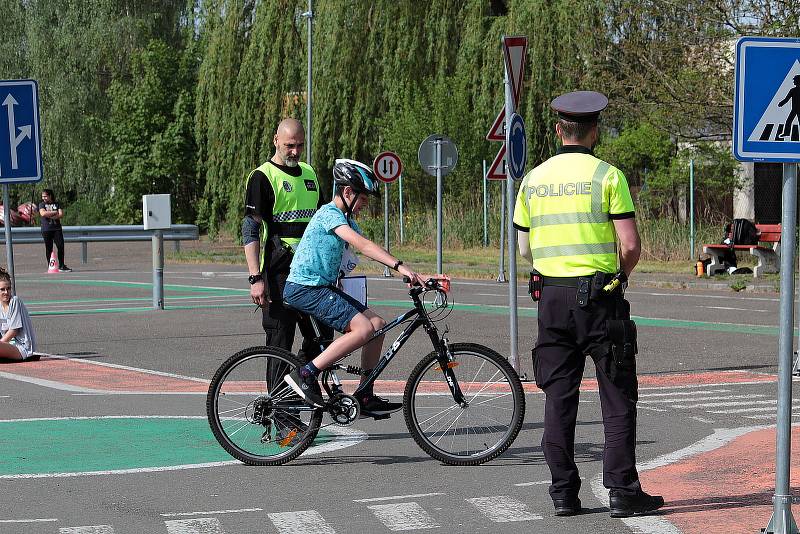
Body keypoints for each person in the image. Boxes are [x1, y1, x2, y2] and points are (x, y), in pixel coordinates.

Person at [513, 90, 664, 518]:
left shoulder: (534, 179)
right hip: (600, 296)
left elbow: (524, 249)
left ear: (559, 129)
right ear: (594, 130)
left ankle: (563, 493)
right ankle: (621, 491)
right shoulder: (607, 177)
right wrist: (620, 276)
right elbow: (631, 245)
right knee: (617, 396)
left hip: (550, 297)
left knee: (559, 397)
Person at [282, 159, 424, 417]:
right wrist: (400, 266)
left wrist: (418, 273)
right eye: (363, 199)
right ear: (347, 192)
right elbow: (362, 245)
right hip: (305, 288)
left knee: (378, 326)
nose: (364, 205)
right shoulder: (329, 214)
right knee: (363, 328)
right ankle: (305, 374)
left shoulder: (344, 217)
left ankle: (365, 394)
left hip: (321, 287)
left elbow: (369, 247)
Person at [242, 118, 333, 360]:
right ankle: (278, 397)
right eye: (289, 145)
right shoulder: (262, 176)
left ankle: (301, 383)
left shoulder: (309, 173)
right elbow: (250, 228)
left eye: (300, 146)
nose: (295, 151)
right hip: (278, 271)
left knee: (323, 336)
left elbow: (325, 221)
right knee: (280, 339)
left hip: (313, 270)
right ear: (276, 141)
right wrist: (255, 278)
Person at [0, 268, 37, 362]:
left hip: (21, 347)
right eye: (2, 289)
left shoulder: (15, 301)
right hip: (7, 344)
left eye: (8, 289)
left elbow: (14, 330)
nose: (6, 292)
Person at [38, 189, 71, 272]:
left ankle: (62, 265)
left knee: (60, 246)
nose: (43, 198)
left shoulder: (57, 204)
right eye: (42, 196)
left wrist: (49, 214)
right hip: (46, 229)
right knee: (49, 248)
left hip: (57, 228)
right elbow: (43, 214)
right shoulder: (41, 204)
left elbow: (60, 214)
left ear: (50, 196)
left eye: (45, 196)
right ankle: (51, 265)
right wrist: (54, 212)